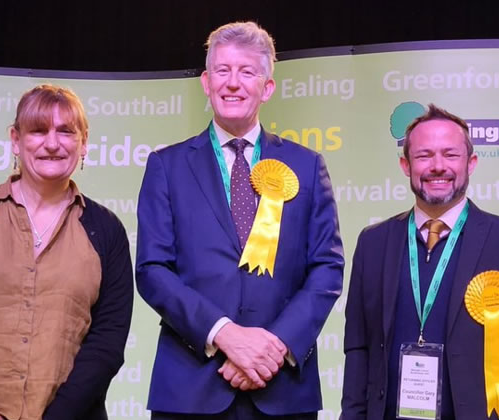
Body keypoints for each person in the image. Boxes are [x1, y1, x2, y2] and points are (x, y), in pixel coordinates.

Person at [136, 21, 344, 419]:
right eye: (222, 70)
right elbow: (152, 269)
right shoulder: (166, 166)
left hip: (282, 387)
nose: (232, 83)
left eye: (246, 72)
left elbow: (327, 268)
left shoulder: (306, 165)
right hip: (190, 389)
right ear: (206, 82)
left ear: (267, 87)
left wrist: (274, 347)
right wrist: (225, 335)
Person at [0, 84, 133, 420]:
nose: (51, 143)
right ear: (16, 140)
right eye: (38, 130)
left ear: (84, 143)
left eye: (65, 131)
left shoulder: (107, 231)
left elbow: (108, 341)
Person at [341, 104, 499, 419]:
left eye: (451, 155)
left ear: (471, 163)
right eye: (424, 156)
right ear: (405, 165)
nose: (438, 166)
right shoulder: (373, 243)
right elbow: (358, 350)